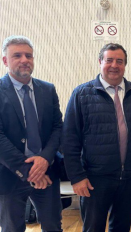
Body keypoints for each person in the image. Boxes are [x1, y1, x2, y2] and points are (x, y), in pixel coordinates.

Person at [62, 43, 131, 232]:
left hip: (130, 176)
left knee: (122, 226)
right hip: (95, 178)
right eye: (109, 60)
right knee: (93, 227)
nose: (114, 65)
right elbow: (69, 139)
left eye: (119, 61)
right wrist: (77, 176)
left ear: (125, 65)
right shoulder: (82, 94)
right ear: (100, 62)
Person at [0, 35, 63, 231]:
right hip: (9, 173)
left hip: (47, 171)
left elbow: (57, 127)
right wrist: (30, 171)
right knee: (12, 228)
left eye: (29, 55)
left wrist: (44, 159)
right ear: (5, 60)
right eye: (17, 55)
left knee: (53, 226)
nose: (24, 60)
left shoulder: (47, 89)